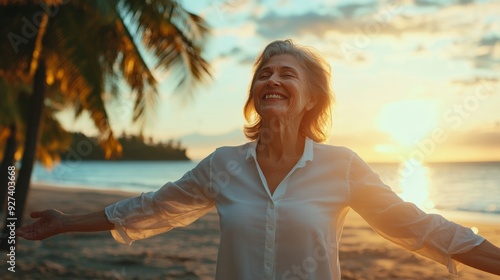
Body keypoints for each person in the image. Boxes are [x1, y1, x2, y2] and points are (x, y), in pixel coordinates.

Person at [17, 39, 500, 280]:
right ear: (254, 93)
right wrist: (63, 223)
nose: (272, 79)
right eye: (264, 72)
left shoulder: (343, 167)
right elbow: (148, 208)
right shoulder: (222, 165)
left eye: (287, 74)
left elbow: (418, 226)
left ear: (311, 98)